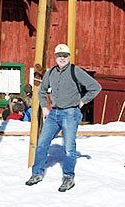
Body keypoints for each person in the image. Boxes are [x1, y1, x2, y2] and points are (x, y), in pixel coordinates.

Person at [25, 43, 102, 192]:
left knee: (68, 148)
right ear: (55, 57)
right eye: (59, 55)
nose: (62, 58)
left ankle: (68, 177)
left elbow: (95, 87)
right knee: (41, 143)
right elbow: (41, 91)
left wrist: (82, 101)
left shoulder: (75, 71)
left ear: (69, 57)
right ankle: (37, 174)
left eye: (65, 55)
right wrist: (44, 107)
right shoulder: (51, 72)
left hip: (70, 113)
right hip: (54, 113)